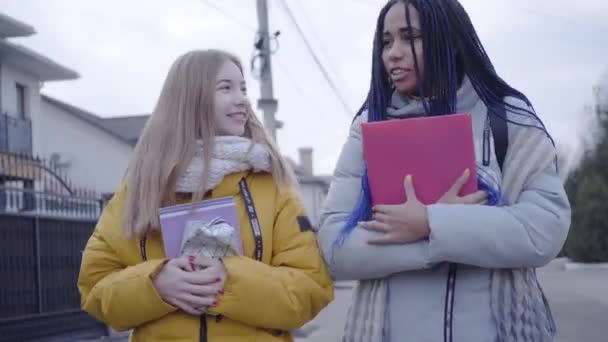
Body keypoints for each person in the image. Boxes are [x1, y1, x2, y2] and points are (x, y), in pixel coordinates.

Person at [317, 1, 571, 341]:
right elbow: (335, 248)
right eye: (387, 41)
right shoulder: (367, 128)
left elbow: (543, 230)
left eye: (410, 37)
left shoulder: (508, 118)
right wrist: (428, 239)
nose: (393, 53)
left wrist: (431, 222)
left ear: (449, 41)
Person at [78, 49, 333, 342]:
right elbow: (95, 287)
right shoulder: (140, 188)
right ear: (190, 98)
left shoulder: (272, 185)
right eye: (226, 88)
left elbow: (311, 289)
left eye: (243, 88)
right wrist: (155, 284)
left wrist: (230, 278)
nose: (242, 99)